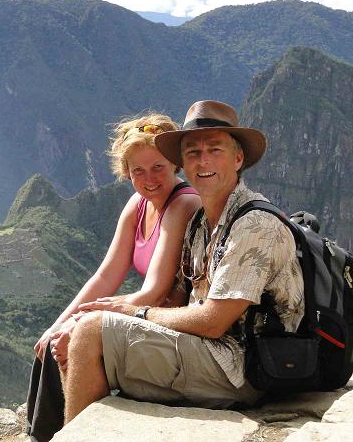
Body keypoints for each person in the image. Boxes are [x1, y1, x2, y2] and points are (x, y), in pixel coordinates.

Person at [61, 100, 304, 424]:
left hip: (246, 368)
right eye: (192, 152)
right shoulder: (201, 223)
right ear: (184, 166)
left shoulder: (254, 224)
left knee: (91, 335)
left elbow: (214, 321)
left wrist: (134, 313)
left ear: (238, 158)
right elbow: (177, 299)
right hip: (211, 351)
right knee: (86, 332)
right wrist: (102, 317)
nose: (203, 161)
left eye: (215, 150)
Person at [26, 113, 201, 441]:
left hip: (171, 322)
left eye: (158, 168)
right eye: (138, 171)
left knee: (71, 343)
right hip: (143, 313)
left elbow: (153, 291)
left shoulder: (183, 205)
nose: (149, 179)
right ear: (127, 173)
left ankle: (67, 434)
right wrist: (59, 323)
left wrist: (79, 325)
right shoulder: (139, 204)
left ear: (175, 164)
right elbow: (107, 274)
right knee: (52, 342)